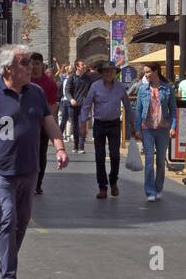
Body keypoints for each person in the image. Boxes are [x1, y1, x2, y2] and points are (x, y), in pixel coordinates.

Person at [0, 44, 68, 279]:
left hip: (29, 168)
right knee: (8, 218)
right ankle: (8, 277)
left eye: (31, 63)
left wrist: (59, 147)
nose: (30, 67)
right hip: (1, 170)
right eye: (24, 63)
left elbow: (49, 122)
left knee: (22, 222)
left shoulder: (35, 93)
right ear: (8, 68)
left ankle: (7, 263)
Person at [79, 60, 129, 199]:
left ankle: (113, 181)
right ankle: (102, 187)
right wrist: (83, 124)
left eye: (111, 71)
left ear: (115, 73)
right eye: (106, 71)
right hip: (99, 124)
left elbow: (128, 107)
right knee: (99, 157)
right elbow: (87, 105)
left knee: (115, 155)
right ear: (102, 73)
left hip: (114, 124)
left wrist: (134, 126)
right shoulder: (95, 87)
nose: (108, 73)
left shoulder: (120, 87)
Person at [132, 63, 177, 202]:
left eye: (148, 72)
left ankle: (158, 188)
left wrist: (173, 127)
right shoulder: (142, 89)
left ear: (156, 71)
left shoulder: (168, 89)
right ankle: (149, 190)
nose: (145, 74)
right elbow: (138, 110)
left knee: (161, 161)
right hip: (147, 129)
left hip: (163, 129)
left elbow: (173, 110)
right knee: (150, 160)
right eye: (145, 72)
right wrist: (137, 129)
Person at [29, 52, 60, 195]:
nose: (34, 67)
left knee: (41, 153)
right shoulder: (25, 80)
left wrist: (48, 121)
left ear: (42, 65)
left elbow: (53, 104)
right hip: (26, 124)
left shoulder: (49, 83)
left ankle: (38, 183)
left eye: (37, 64)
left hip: (42, 124)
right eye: (32, 64)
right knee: (27, 153)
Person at [65, 59, 92, 153]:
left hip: (83, 105)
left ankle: (81, 146)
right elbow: (67, 90)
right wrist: (71, 99)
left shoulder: (88, 78)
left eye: (84, 64)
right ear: (77, 67)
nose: (84, 66)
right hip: (72, 106)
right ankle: (76, 145)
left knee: (82, 125)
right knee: (75, 126)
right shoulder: (71, 77)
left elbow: (91, 90)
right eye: (82, 65)